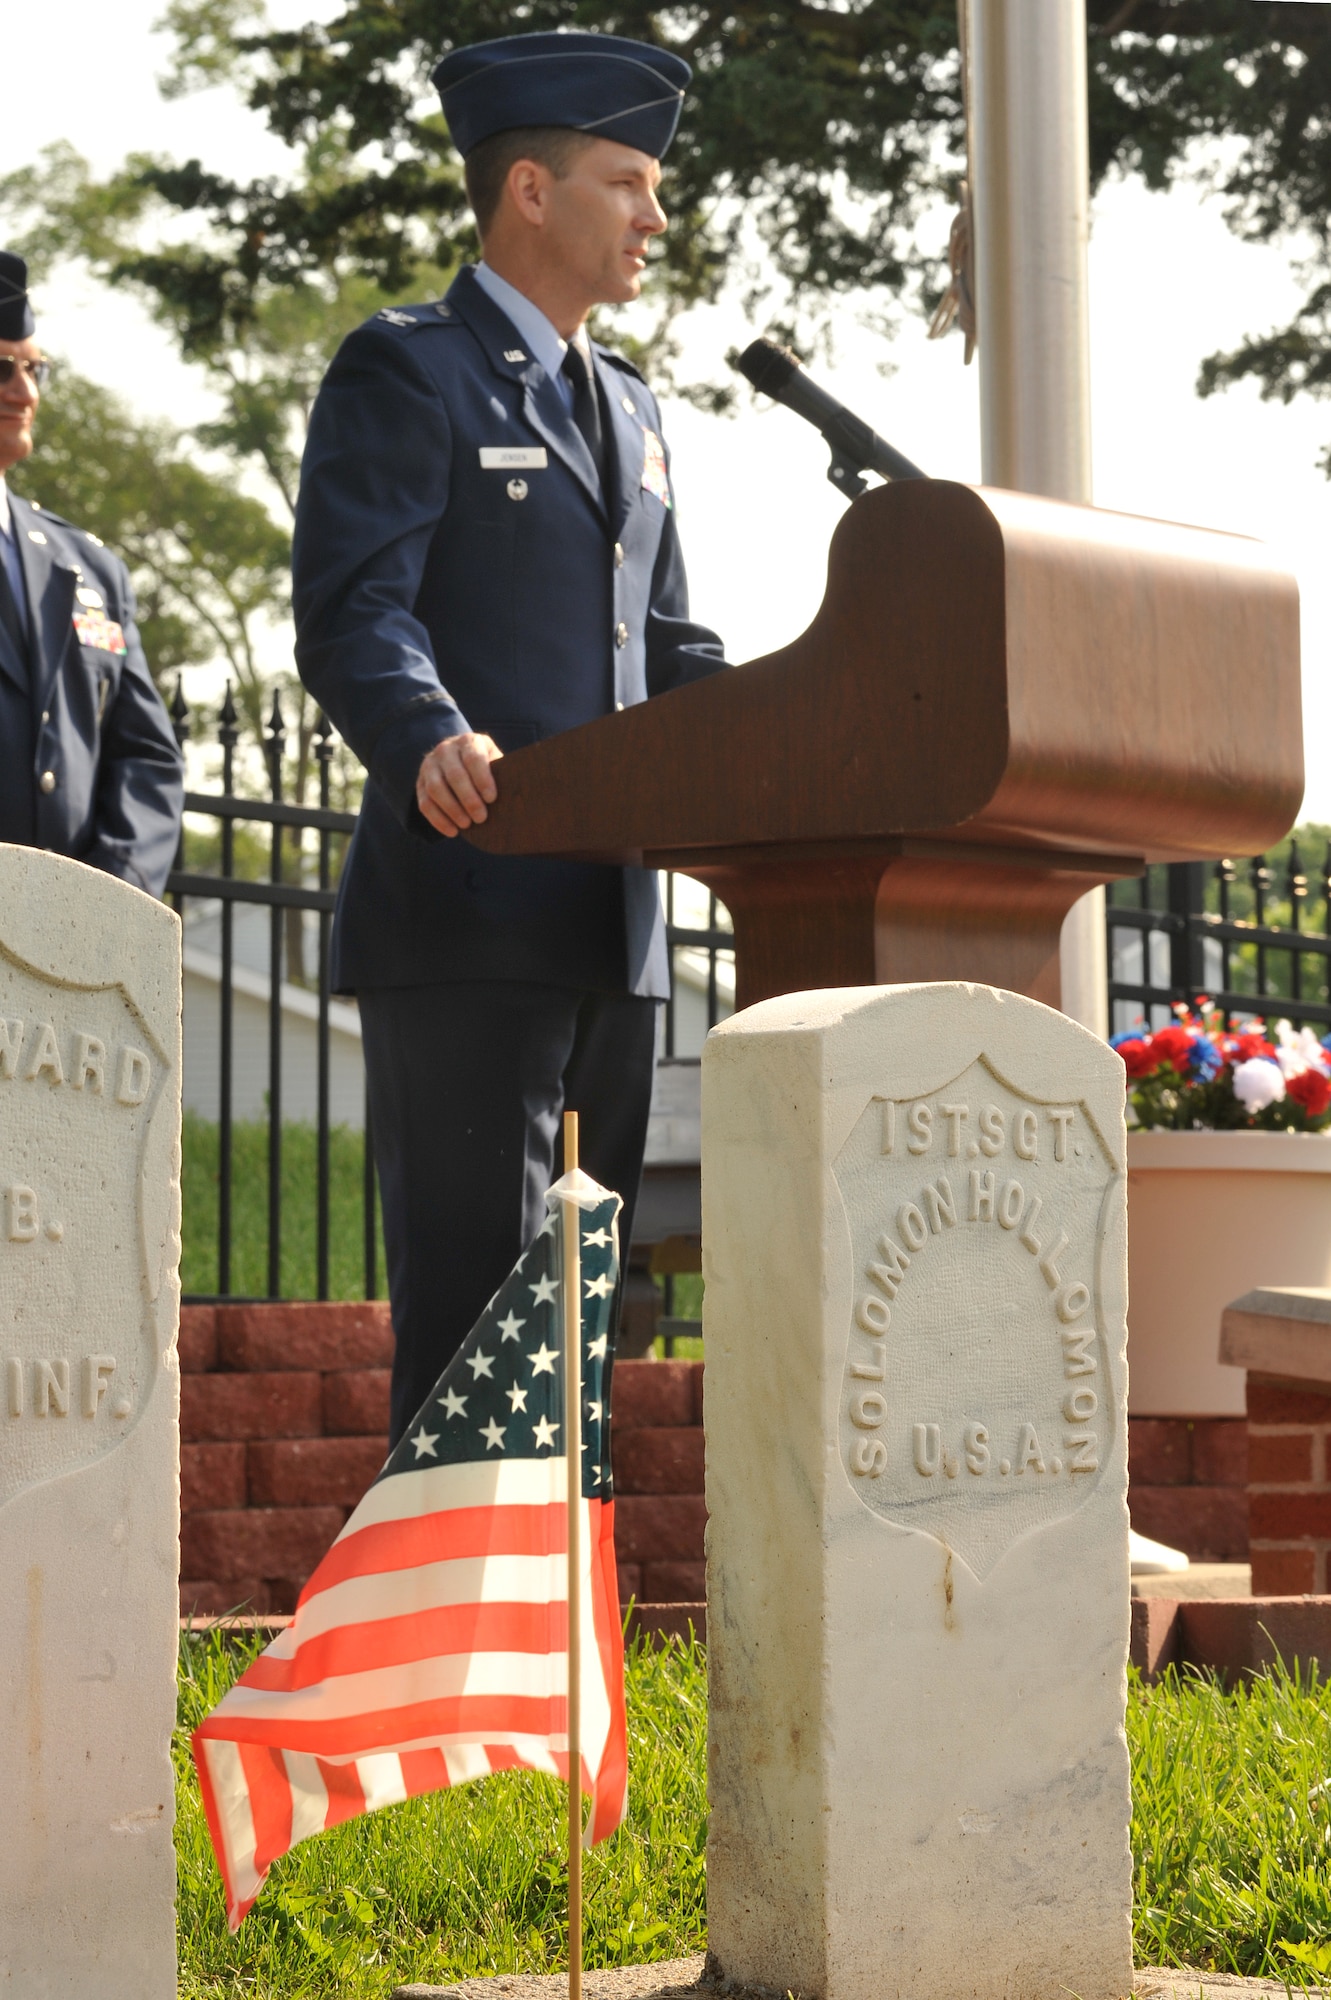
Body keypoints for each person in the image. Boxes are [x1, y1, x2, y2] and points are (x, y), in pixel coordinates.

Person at [292, 32, 728, 1446]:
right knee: (477, 1327)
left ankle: (552, 1658)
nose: (654, 218)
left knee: (576, 1334)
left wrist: (778, 734)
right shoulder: (407, 369)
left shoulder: (635, 410)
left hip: (613, 930)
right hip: (467, 915)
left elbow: (669, 650)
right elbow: (358, 609)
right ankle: (443, 1664)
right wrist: (425, 732)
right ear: (528, 190)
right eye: (628, 183)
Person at [0, 252, 184, 897]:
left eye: (35, 368)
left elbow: (146, 758)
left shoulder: (88, 567)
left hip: (61, 959)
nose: (26, 393)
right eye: (3, 368)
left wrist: (107, 901)